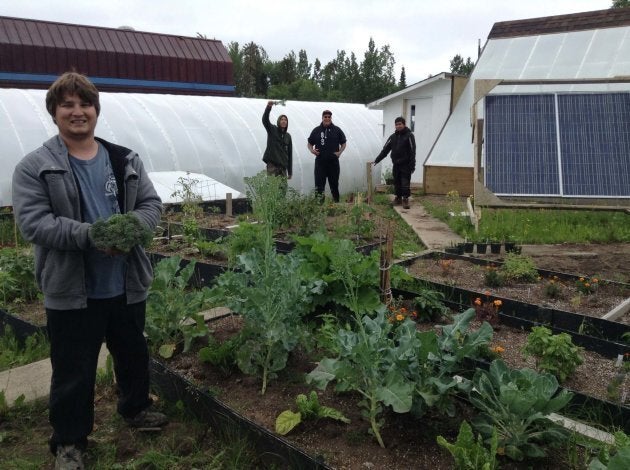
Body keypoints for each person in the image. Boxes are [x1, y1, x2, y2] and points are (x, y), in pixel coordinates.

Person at [11, 72, 166, 470]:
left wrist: (134, 230)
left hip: (126, 282)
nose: (77, 112)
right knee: (73, 370)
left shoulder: (124, 158)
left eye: (85, 104)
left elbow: (151, 205)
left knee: (133, 353)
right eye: (68, 105)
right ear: (55, 112)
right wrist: (93, 236)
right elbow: (35, 223)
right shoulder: (35, 167)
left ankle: (135, 409)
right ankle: (69, 441)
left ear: (96, 110)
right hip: (72, 288)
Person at [371, 116, 416, 209]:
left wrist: (412, 165)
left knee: (405, 182)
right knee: (397, 182)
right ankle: (398, 198)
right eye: (396, 124)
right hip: (396, 164)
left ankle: (405, 199)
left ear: (404, 124)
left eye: (400, 124)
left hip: (406, 164)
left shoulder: (409, 136)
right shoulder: (392, 137)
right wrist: (377, 160)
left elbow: (412, 151)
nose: (398, 126)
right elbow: (385, 150)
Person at [307, 109, 347, 202]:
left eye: (329, 117)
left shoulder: (337, 130)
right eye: (325, 117)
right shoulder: (316, 130)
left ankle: (336, 204)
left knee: (334, 185)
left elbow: (344, 143)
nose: (327, 118)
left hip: (333, 163)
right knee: (319, 186)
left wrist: (339, 152)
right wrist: (312, 150)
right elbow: (309, 143)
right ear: (322, 118)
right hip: (320, 163)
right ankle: (319, 207)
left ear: (331, 118)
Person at [262, 100, 292, 179]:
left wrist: (290, 171)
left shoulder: (288, 136)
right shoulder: (272, 129)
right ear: (279, 121)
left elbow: (289, 154)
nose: (284, 121)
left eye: (285, 120)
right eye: (282, 119)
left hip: (283, 168)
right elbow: (265, 120)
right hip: (273, 166)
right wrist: (268, 108)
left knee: (283, 190)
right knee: (273, 189)